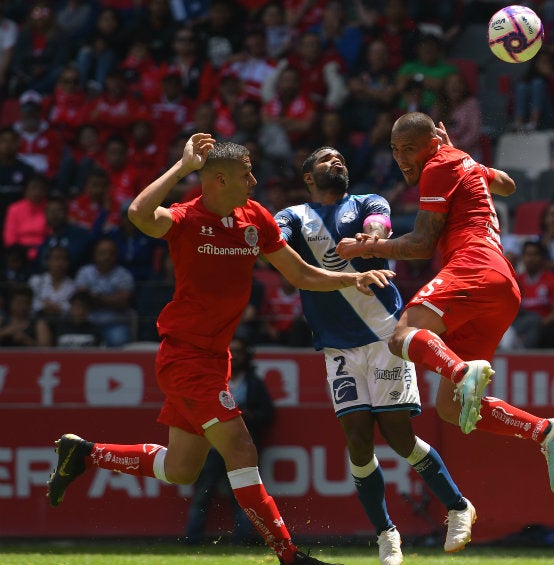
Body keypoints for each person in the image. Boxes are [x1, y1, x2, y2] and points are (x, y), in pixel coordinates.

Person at [46, 133, 395, 565]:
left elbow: (301, 274)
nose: (253, 180)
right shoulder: (187, 218)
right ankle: (289, 556)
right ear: (217, 179)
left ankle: (84, 453)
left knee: (180, 469)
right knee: (242, 449)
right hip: (185, 357)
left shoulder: (256, 217)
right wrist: (181, 167)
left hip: (215, 357)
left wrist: (350, 279)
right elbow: (138, 214)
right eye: (245, 174)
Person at [336, 112, 554, 496]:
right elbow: (509, 185)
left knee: (401, 337)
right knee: (451, 409)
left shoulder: (437, 166)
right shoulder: (458, 160)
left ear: (430, 144)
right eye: (396, 150)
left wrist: (370, 246)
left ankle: (462, 371)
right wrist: (456, 152)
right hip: (501, 286)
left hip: (474, 266)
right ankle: (545, 431)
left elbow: (420, 245)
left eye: (410, 149)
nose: (401, 159)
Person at [276, 146, 477, 564]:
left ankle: (458, 506)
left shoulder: (367, 201)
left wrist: (373, 236)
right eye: (326, 158)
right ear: (308, 176)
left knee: (400, 438)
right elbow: (269, 239)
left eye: (342, 158)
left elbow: (378, 221)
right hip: (337, 346)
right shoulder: (294, 216)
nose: (338, 161)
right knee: (358, 441)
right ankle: (386, 533)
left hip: (385, 335)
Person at [184, 336, 273, 546]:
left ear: (247, 355)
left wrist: (250, 416)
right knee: (202, 495)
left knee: (243, 497)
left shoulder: (254, 384)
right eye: (231, 352)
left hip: (241, 449)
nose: (235, 356)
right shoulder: (211, 381)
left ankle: (244, 540)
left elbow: (268, 414)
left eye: (239, 351)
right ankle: (191, 539)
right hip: (212, 449)